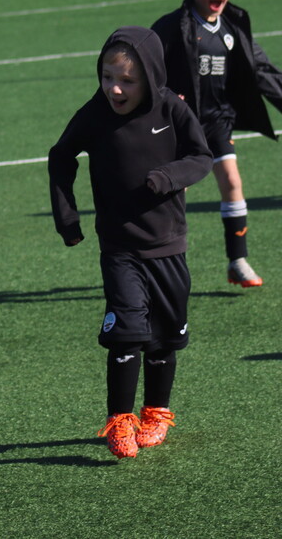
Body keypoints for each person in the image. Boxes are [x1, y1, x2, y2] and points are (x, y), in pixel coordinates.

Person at [49, 26, 212, 459]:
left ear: (152, 76)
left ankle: (156, 412)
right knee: (127, 332)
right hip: (119, 247)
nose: (114, 89)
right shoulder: (95, 113)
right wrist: (67, 216)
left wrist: (169, 178)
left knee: (165, 338)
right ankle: (120, 422)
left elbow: (201, 157)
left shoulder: (172, 110)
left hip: (169, 245)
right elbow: (60, 156)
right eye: (106, 77)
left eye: (127, 81)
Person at [151, 0, 282, 289]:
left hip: (219, 120)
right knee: (175, 192)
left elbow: (260, 68)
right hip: (183, 123)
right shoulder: (172, 26)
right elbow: (149, 69)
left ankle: (238, 261)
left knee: (232, 181)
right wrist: (166, 99)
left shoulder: (233, 26)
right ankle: (160, 262)